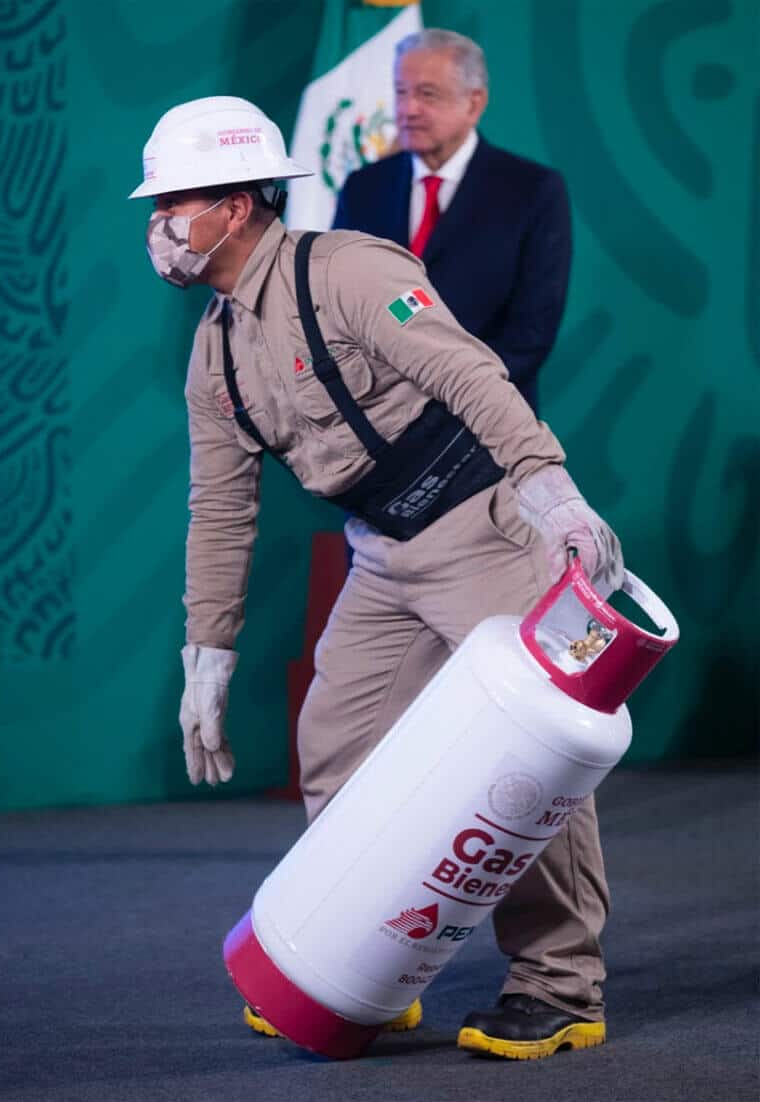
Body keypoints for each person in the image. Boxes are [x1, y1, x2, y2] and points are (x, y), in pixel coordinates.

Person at [129, 96, 621, 1060]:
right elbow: (222, 509)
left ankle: (561, 986)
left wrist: (548, 486)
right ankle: (376, 973)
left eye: (178, 202)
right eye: (158, 206)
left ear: (238, 205)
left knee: (531, 763)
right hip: (383, 551)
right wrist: (208, 650)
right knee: (339, 745)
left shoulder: (348, 270)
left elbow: (473, 374)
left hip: (484, 527)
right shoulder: (214, 352)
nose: (161, 227)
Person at [333, 28, 571, 415]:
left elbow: (532, 333)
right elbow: (336, 307)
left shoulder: (532, 191)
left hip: (488, 424)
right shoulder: (363, 188)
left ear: (474, 103)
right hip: (376, 425)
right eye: (400, 91)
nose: (408, 109)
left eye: (427, 94)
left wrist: (443, 396)